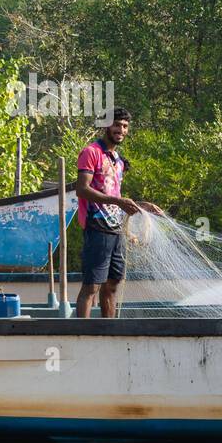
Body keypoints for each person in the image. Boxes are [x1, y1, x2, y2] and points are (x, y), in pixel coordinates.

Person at [74, 108, 162, 318]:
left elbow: (115, 196)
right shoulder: (91, 152)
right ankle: (80, 336)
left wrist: (142, 206)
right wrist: (118, 202)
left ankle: (108, 332)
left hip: (117, 230)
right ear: (106, 126)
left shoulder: (118, 160)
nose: (120, 130)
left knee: (113, 285)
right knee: (92, 286)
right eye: (116, 125)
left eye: (124, 126)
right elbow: (82, 189)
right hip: (97, 227)